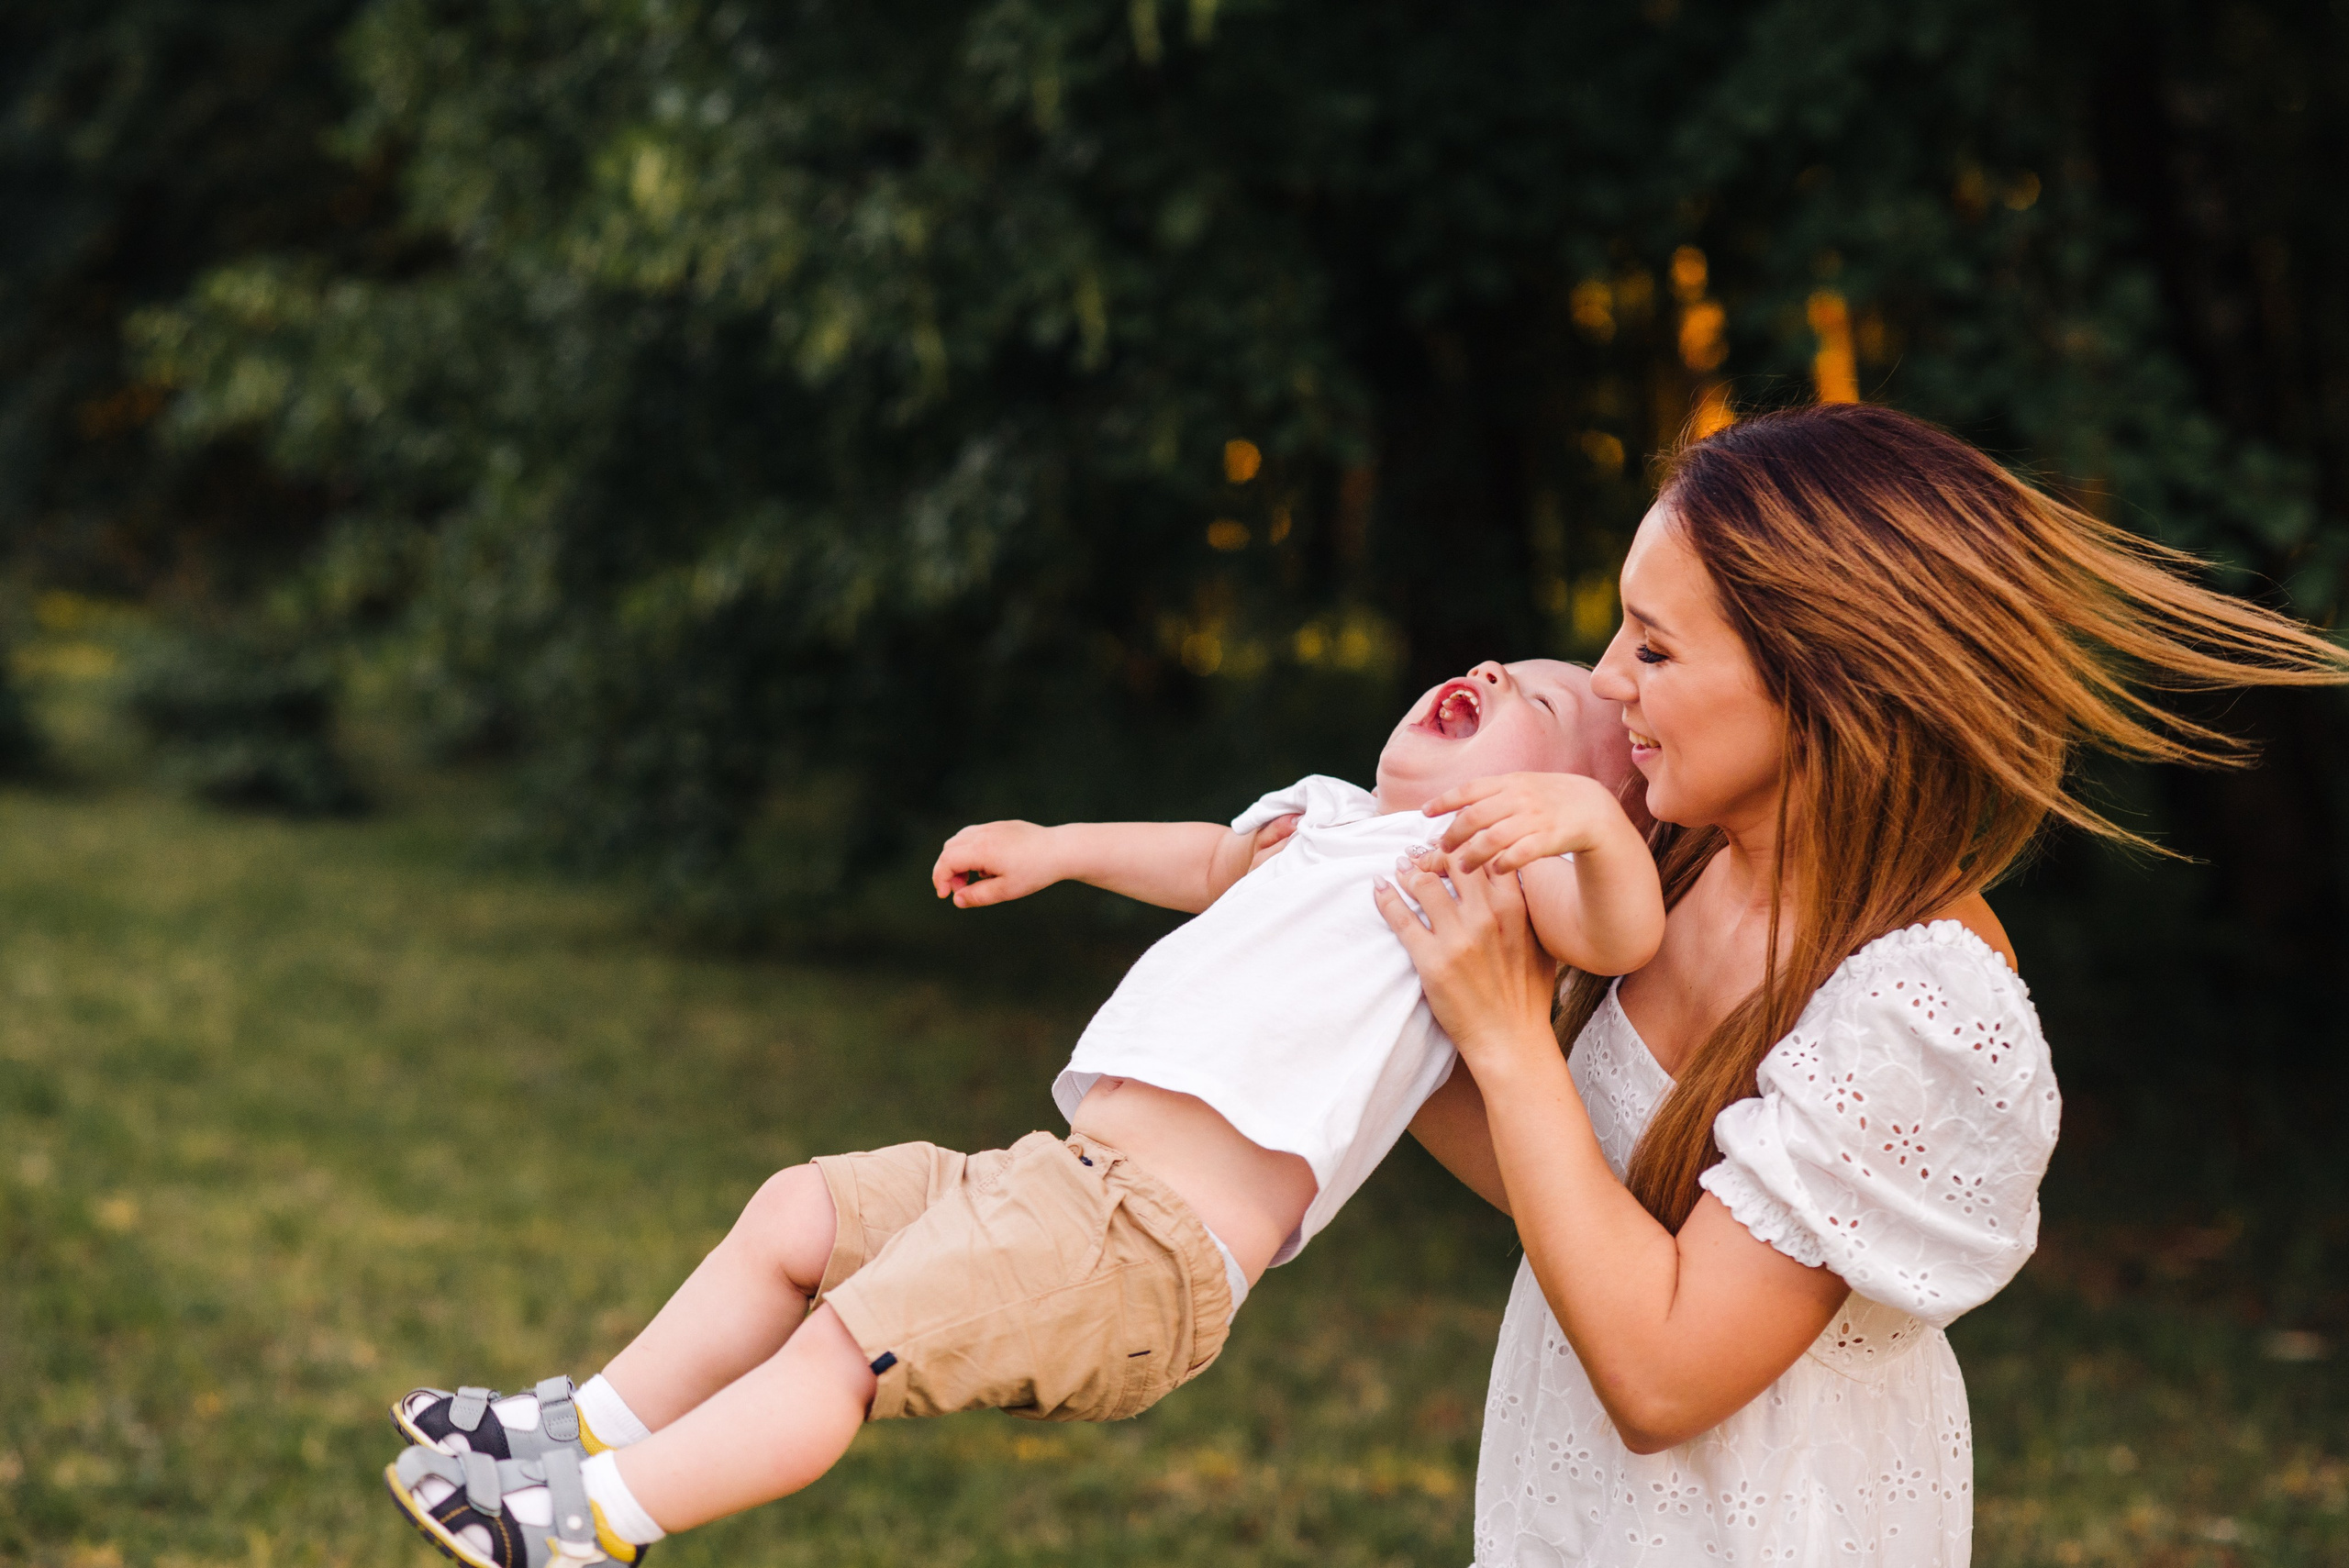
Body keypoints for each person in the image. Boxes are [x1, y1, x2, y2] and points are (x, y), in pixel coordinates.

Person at [381, 658, 1664, 1568]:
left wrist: (1595, 828)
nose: (1494, 671)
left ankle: (588, 1524)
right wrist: (1060, 845)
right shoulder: (1327, 818)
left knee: (847, 1345)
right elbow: (1210, 859)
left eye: (1540, 703)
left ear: (1549, 806)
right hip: (1059, 1179)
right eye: (1497, 665)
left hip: (1144, 1252)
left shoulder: (1491, 885)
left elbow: (1622, 926)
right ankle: (577, 1433)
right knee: (799, 1214)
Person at [1380, 403, 2349, 1565]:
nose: (1604, 679)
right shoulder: (1672, 858)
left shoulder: (1920, 1009)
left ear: (1820, 682)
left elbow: (1662, 1376)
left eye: (1653, 646)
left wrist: (1507, 1041)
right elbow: (1588, 1194)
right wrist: (1380, 973)